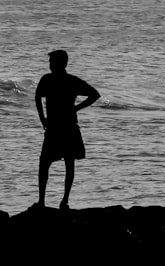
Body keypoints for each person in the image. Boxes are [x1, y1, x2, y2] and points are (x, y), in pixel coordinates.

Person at [33, 49, 101, 210]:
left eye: (51, 62)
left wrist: (43, 118)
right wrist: (76, 109)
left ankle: (48, 201)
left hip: (59, 127)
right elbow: (94, 95)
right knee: (65, 163)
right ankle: (61, 201)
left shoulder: (49, 80)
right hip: (66, 126)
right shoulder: (70, 80)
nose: (49, 65)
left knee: (47, 163)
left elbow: (37, 97)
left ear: (58, 63)